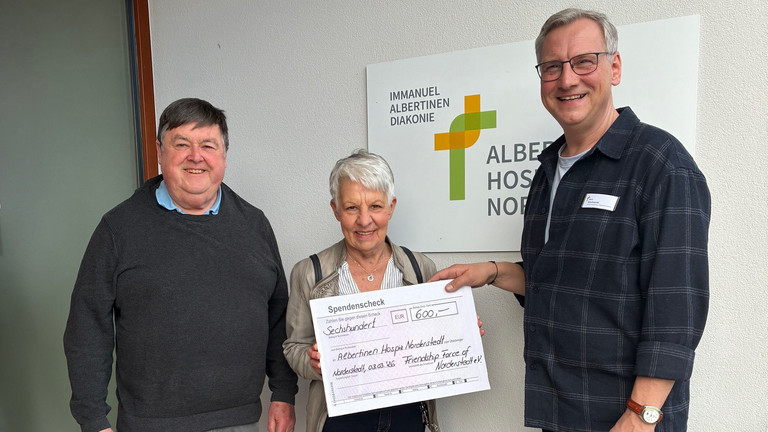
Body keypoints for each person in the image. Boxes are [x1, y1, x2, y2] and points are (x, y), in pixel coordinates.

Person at [430, 8, 710, 432]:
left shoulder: (661, 164)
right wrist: (489, 273)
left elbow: (677, 305)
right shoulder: (548, 173)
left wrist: (641, 416)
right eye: (552, 67)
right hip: (559, 408)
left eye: (584, 61)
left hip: (625, 416)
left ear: (614, 67)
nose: (567, 79)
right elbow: (563, 280)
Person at [63, 98, 298, 432]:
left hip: (241, 421)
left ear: (224, 155)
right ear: (160, 152)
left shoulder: (254, 225)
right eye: (182, 144)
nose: (196, 156)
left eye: (207, 145)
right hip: (150, 424)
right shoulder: (119, 229)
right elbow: (87, 329)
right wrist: (92, 419)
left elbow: (278, 317)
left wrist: (283, 393)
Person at [282, 150, 441, 432]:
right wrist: (313, 363)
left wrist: (456, 333)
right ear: (335, 209)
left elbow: (436, 340)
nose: (365, 221)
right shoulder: (309, 273)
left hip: (407, 415)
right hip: (339, 418)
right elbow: (294, 347)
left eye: (376, 207)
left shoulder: (421, 268)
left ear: (391, 207)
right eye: (352, 207)